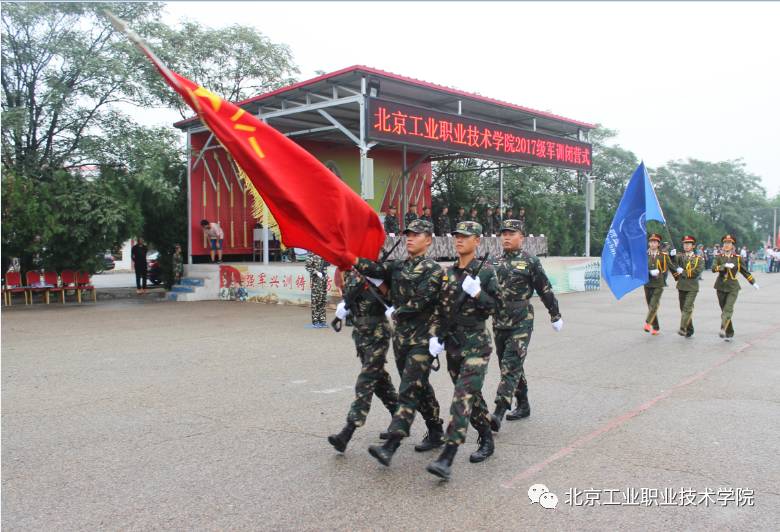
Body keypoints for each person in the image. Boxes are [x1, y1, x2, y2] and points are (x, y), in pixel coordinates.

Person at [354, 219, 445, 467]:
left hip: (423, 338)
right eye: (408, 235)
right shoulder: (398, 266)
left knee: (407, 389)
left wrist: (396, 311)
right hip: (402, 339)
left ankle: (391, 445)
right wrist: (350, 258)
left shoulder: (433, 270)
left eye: (416, 235)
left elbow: (421, 301)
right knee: (419, 386)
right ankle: (436, 429)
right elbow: (375, 270)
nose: (410, 238)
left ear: (428, 240)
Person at [425, 221, 499, 480]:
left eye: (465, 237)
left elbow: (496, 308)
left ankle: (448, 454)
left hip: (477, 344)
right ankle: (487, 436)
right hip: (453, 344)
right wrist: (436, 337)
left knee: (461, 396)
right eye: (457, 236)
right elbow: (440, 309)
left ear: (477, 241)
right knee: (471, 397)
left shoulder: (487, 271)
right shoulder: (449, 273)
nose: (459, 240)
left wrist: (478, 293)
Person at [490, 219, 562, 431]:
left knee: (510, 364)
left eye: (511, 233)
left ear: (522, 236)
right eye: (504, 233)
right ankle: (523, 404)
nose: (506, 237)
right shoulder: (493, 261)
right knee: (508, 363)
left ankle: (499, 411)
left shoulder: (530, 261)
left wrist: (555, 314)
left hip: (521, 320)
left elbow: (544, 289)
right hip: (499, 320)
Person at [328, 268, 399, 453]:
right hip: (361, 335)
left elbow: (394, 298)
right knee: (379, 381)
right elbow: (352, 297)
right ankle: (399, 417)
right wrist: (343, 310)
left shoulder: (380, 272)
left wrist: (381, 285)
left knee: (366, 380)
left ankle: (347, 431)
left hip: (378, 334)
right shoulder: (353, 273)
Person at [712, 234, 759, 341]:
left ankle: (723, 328)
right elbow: (713, 268)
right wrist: (723, 266)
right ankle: (729, 332)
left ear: (733, 245)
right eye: (725, 243)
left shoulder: (738, 258)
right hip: (720, 286)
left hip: (733, 287)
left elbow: (745, 271)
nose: (727, 245)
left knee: (728, 309)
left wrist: (753, 282)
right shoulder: (719, 257)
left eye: (729, 243)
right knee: (724, 310)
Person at [670, 235, 704, 338]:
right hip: (681, 286)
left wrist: (683, 272)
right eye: (685, 244)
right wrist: (671, 255)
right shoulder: (680, 256)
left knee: (687, 307)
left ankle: (683, 327)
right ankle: (690, 329)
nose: (686, 246)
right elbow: (672, 262)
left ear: (693, 246)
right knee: (683, 308)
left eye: (688, 244)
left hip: (692, 287)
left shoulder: (699, 259)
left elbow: (697, 271)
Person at [644, 233, 671, 335]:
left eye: (655, 242)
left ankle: (647, 323)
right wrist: (649, 272)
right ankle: (656, 327)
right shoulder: (644, 255)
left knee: (654, 304)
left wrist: (679, 276)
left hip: (659, 283)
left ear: (658, 244)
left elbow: (671, 266)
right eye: (651, 242)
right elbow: (639, 268)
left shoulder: (663, 255)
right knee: (650, 306)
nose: (652, 244)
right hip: (647, 283)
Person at [305, 252, 330, 328]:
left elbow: (328, 263)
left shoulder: (324, 254)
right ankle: (315, 321)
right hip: (316, 282)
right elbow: (307, 267)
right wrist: (316, 272)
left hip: (323, 280)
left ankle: (322, 320)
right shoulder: (311, 255)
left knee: (323, 300)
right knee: (316, 301)